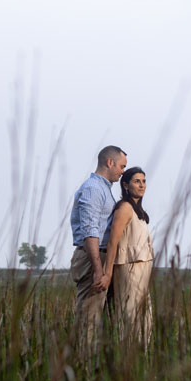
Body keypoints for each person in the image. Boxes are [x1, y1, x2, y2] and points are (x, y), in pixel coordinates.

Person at [69, 145, 127, 346]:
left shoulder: (103, 188)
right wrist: (97, 269)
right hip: (93, 258)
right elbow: (90, 231)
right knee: (89, 321)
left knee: (97, 320)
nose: (122, 171)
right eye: (121, 166)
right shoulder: (94, 189)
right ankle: (82, 370)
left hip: (100, 258)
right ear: (110, 162)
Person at [102, 167, 154, 345]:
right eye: (136, 181)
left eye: (144, 181)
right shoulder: (124, 208)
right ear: (125, 185)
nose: (141, 185)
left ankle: (141, 360)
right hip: (128, 270)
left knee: (144, 320)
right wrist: (107, 273)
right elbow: (112, 242)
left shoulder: (139, 211)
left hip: (142, 272)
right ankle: (126, 358)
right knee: (129, 317)